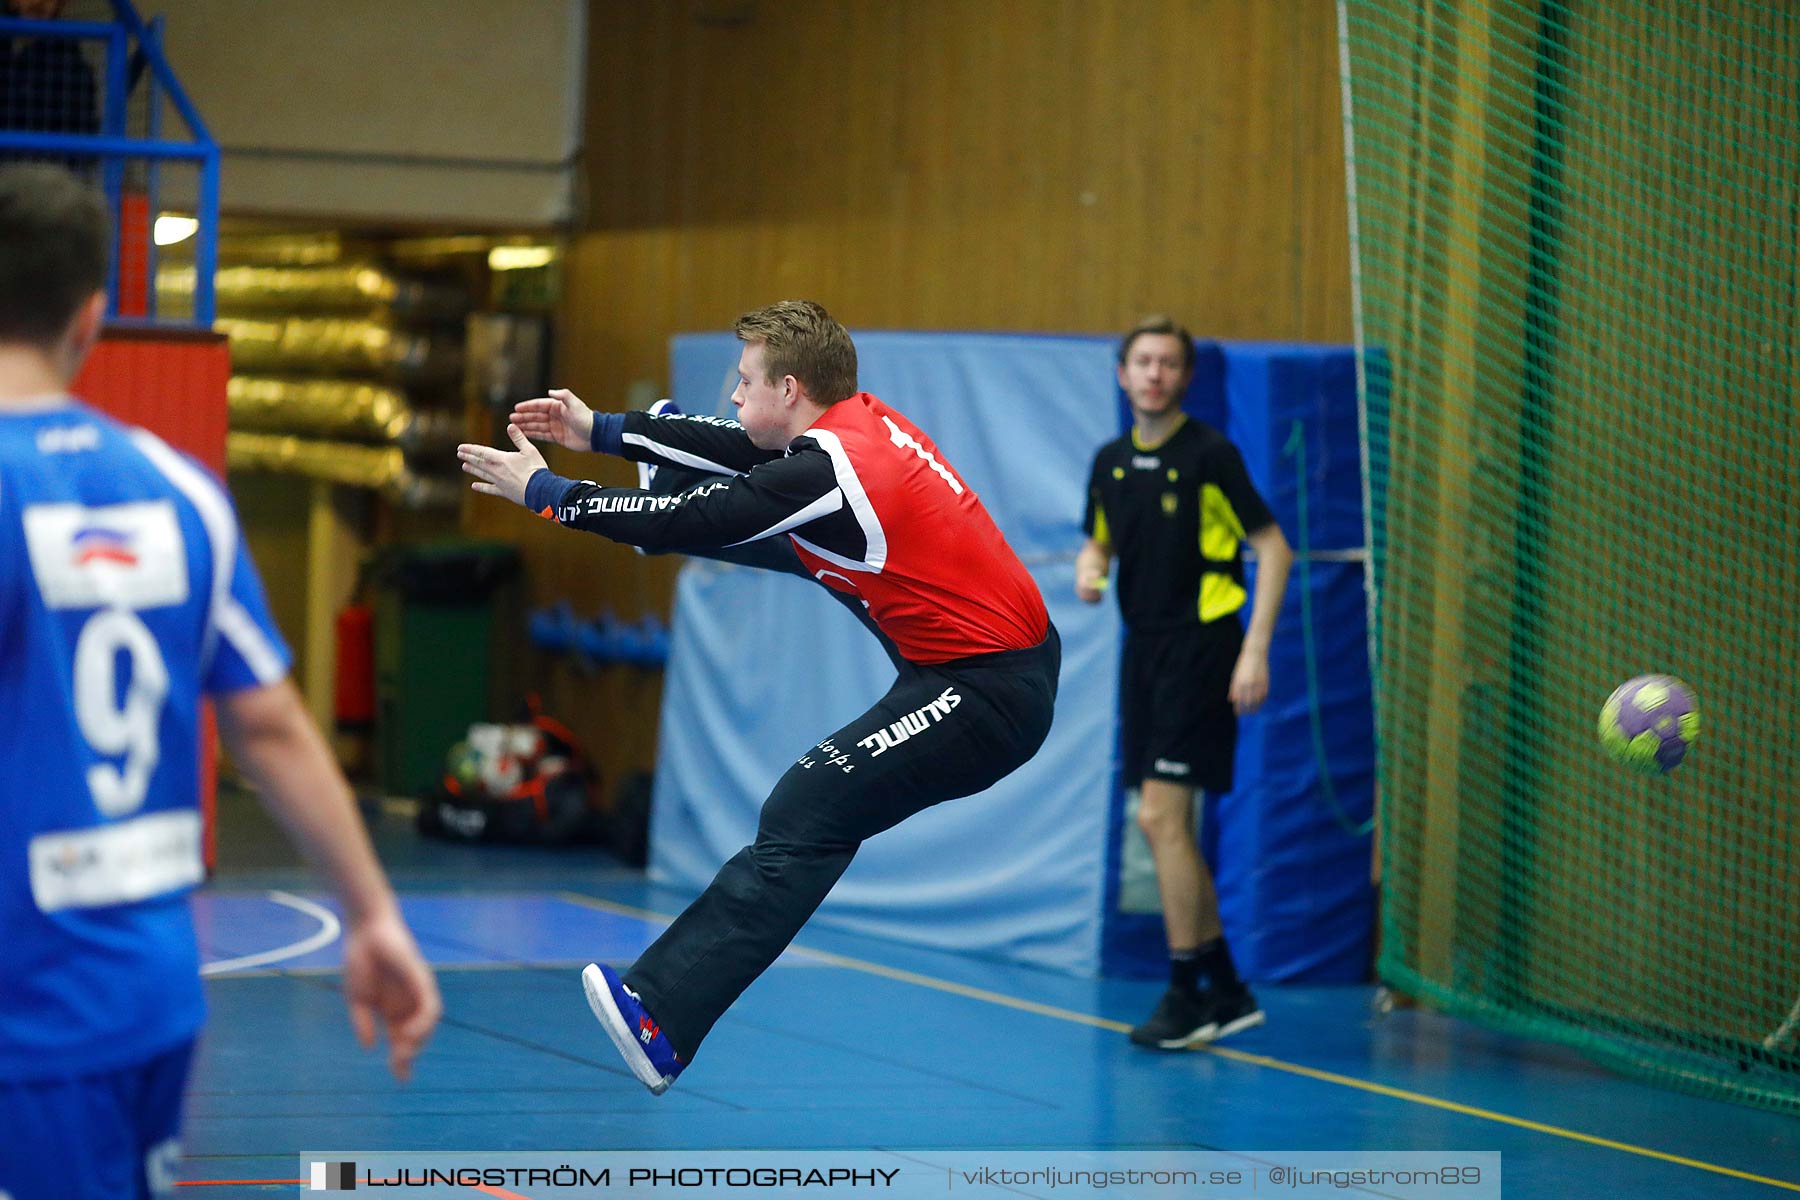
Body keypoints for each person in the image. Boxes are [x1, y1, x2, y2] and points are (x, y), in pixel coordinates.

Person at [461, 299, 1059, 1094]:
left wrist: (549, 491)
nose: (736, 397)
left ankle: (660, 1015)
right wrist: (602, 429)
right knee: (768, 530)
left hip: (988, 689)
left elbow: (709, 510)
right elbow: (737, 449)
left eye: (745, 382)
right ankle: (652, 488)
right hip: (956, 652)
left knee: (806, 808)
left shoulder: (833, 471)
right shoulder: (848, 423)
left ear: (789, 388)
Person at [0, 164, 441, 1199]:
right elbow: (272, 725)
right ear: (92, 317)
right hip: (149, 1003)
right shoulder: (177, 489)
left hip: (19, 1012)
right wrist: (372, 913)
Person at [1075, 315, 1293, 1050]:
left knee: (1161, 820)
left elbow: (1274, 546)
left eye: (1169, 363)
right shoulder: (1108, 461)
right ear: (1123, 374)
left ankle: (1184, 992)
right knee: (1168, 824)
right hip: (1144, 654)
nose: (1155, 374)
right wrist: (1090, 568)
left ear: (1186, 377)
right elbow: (1100, 535)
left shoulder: (1210, 455)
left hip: (1204, 650)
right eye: (1143, 361)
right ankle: (1225, 986)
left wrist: (1253, 652)